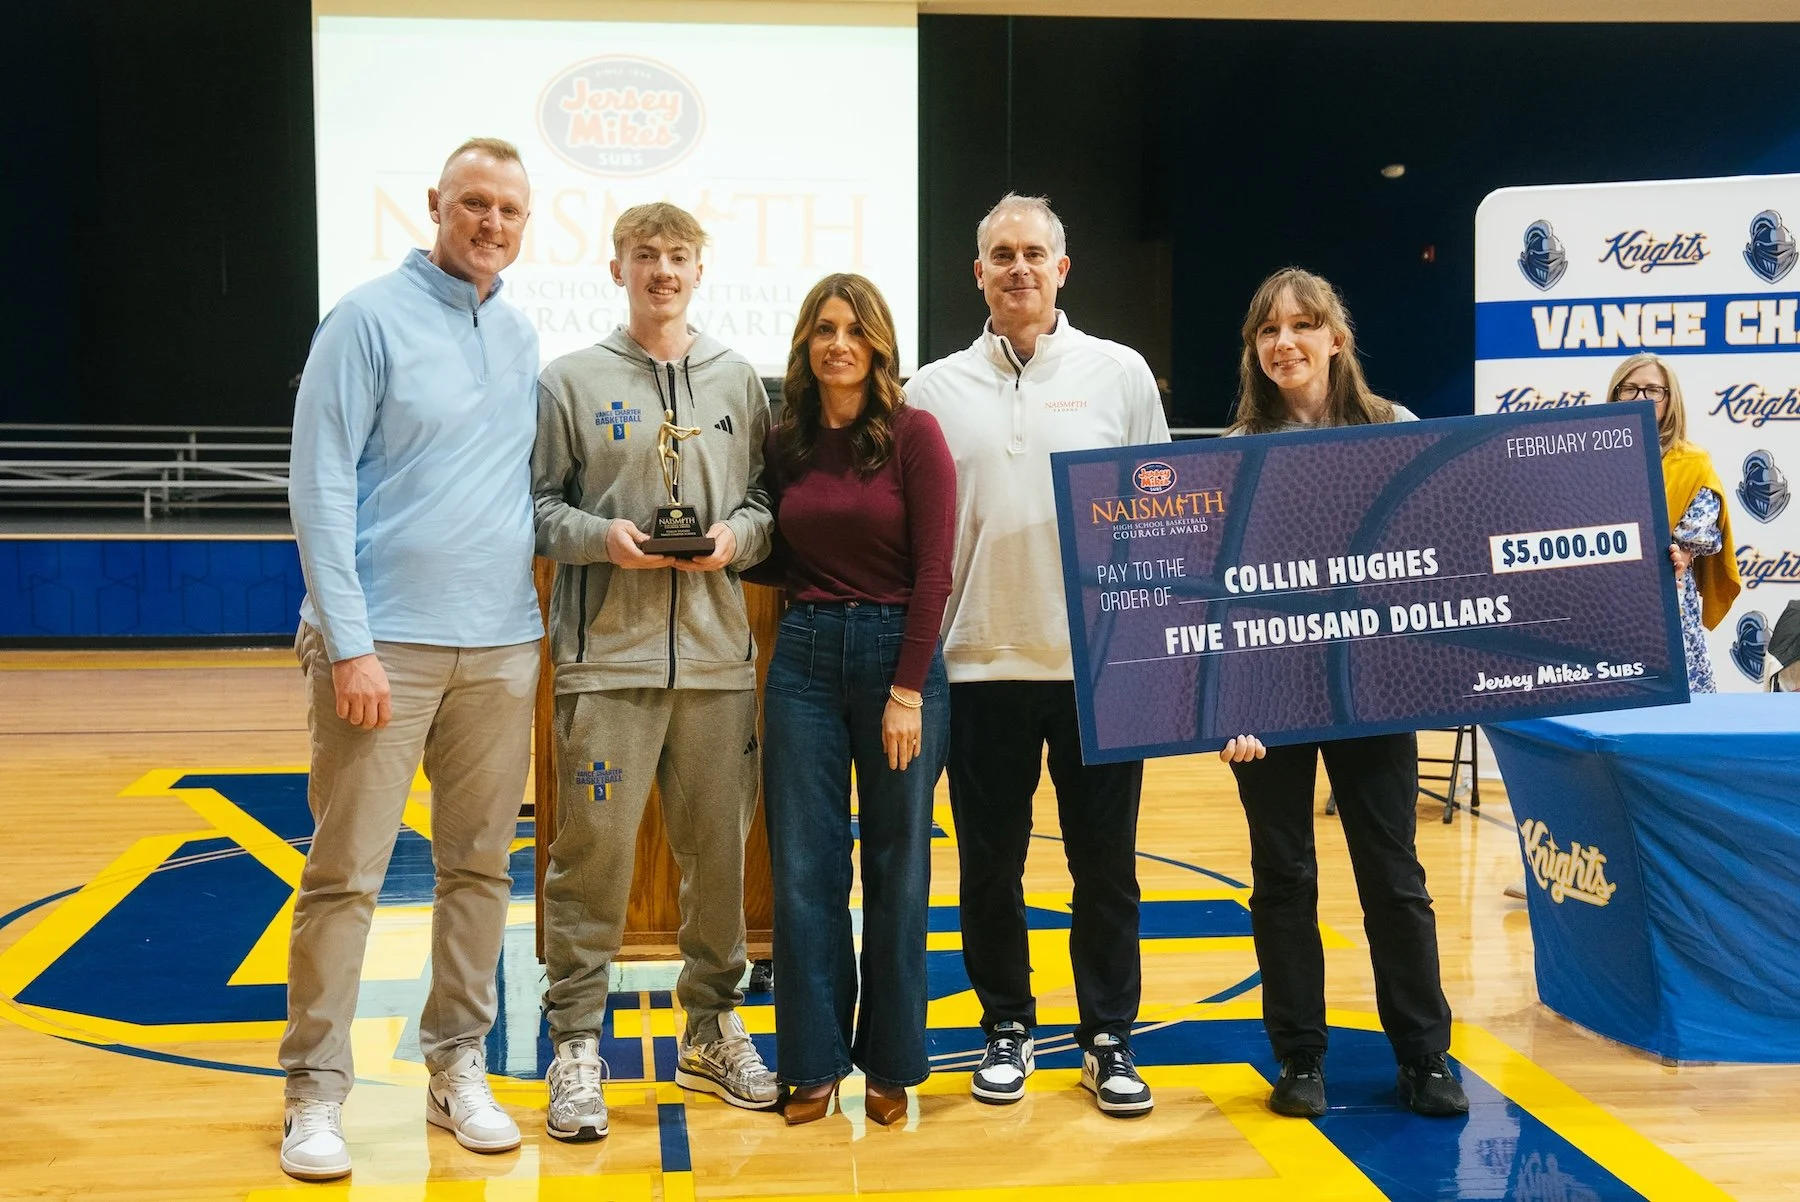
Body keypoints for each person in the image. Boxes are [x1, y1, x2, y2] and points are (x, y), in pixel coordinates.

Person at [279, 138, 543, 1180]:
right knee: (346, 875)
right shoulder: (364, 319)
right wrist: (349, 643)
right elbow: (318, 484)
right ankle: (315, 1092)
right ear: (436, 204)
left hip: (503, 645)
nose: (490, 222)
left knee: (479, 869)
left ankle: (456, 1065)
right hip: (383, 647)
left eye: (509, 209)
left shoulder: (519, 333)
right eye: (474, 202)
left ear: (525, 224)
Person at [907, 193, 1169, 1117]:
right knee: (991, 868)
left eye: (1033, 253)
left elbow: (1162, 522)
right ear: (976, 273)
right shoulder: (929, 390)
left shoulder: (1120, 373)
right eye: (1001, 254)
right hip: (978, 667)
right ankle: (1006, 1026)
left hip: (1098, 669)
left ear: (1062, 268)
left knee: (1107, 869)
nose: (1017, 267)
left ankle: (1108, 1038)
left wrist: (1152, 659)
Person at [533, 202, 778, 1141]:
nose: (662, 270)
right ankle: (576, 1043)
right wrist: (604, 539)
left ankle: (711, 1027)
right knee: (591, 853)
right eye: (645, 255)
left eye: (677, 255)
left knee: (718, 855)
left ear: (699, 270)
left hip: (717, 665)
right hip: (607, 663)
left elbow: (767, 505)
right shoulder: (569, 381)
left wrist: (736, 540)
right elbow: (535, 509)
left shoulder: (738, 381)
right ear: (617, 269)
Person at [1218, 266, 1469, 1121]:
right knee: (1282, 877)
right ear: (1255, 349)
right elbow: (1222, 602)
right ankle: (1299, 1058)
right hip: (1271, 700)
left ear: (1335, 338)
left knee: (1392, 877)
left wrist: (1429, 672)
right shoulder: (1233, 452)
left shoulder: (1393, 429)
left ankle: (1425, 1056)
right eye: (1268, 329)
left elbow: (1434, 561)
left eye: (1302, 325)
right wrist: (1230, 706)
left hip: (1372, 692)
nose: (1284, 342)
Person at [746, 274, 956, 1126]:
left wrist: (906, 689)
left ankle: (893, 1064)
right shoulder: (785, 441)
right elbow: (779, 553)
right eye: (825, 329)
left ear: (880, 345)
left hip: (896, 661)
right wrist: (708, 545)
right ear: (805, 341)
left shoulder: (914, 434)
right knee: (805, 870)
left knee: (898, 869)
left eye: (856, 330)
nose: (840, 344)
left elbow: (935, 571)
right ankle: (813, 1063)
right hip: (802, 658)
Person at [1604, 353, 1742, 694]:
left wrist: (1681, 555)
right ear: (1615, 394)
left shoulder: (1692, 461)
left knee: (1673, 699)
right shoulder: (1589, 456)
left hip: (1664, 596)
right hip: (1602, 599)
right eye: (1629, 389)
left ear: (1669, 399)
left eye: (1653, 390)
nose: (1640, 398)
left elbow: (1696, 533)